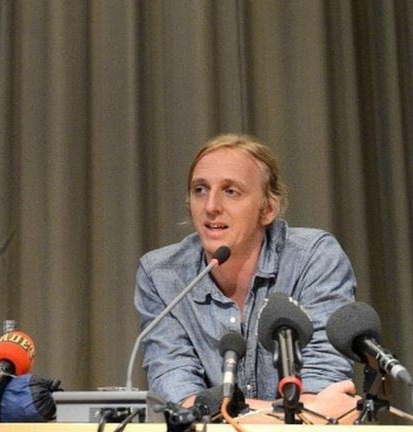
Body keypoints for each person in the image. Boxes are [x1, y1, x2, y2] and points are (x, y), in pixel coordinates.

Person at [134, 134, 358, 422]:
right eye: (200, 189)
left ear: (267, 209)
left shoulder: (314, 259)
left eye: (231, 191)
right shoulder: (161, 276)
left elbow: (324, 387)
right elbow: (179, 402)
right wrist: (290, 413)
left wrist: (217, 412)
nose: (211, 205)